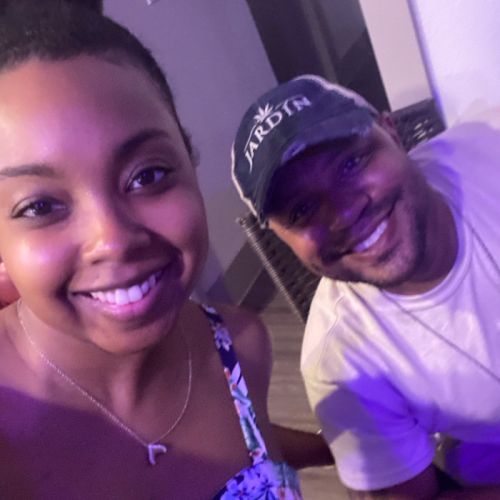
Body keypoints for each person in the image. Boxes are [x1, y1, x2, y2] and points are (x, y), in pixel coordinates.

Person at [0, 3, 336, 498]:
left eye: (148, 175)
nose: (113, 240)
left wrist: (342, 447)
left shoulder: (239, 349)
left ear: (190, 162)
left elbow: (250, 446)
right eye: (40, 206)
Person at [231, 74, 500, 498]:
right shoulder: (342, 366)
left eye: (350, 164)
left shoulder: (490, 149)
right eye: (302, 210)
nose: (343, 214)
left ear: (391, 132)